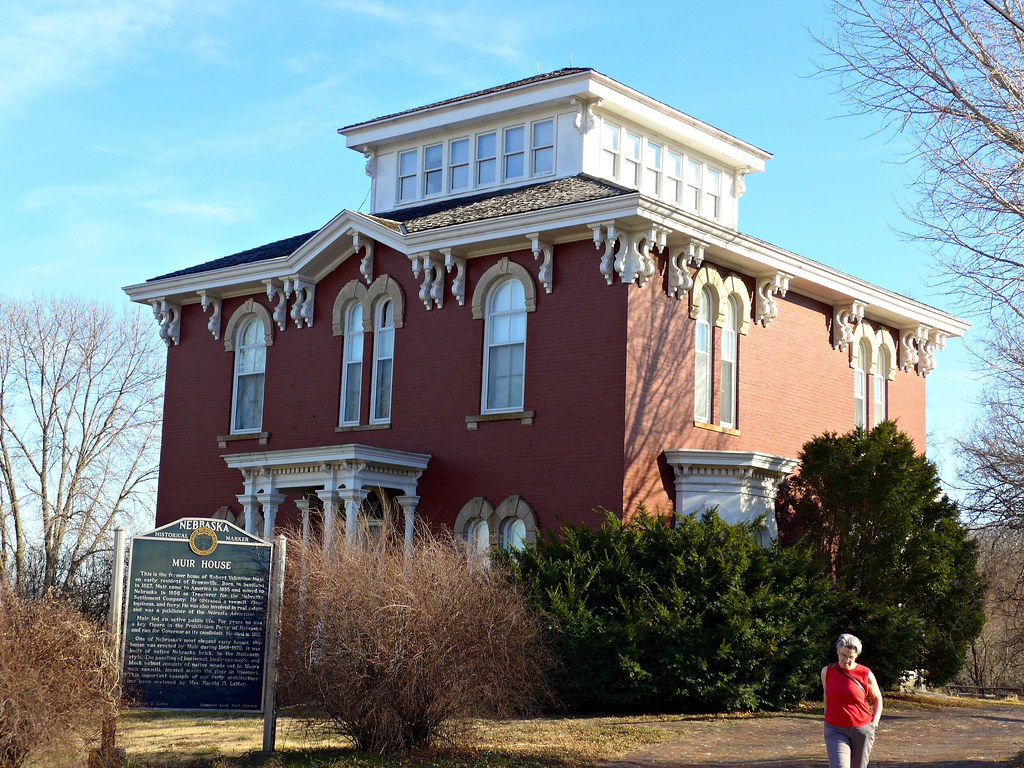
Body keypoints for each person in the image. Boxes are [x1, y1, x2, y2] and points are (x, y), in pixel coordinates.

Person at [821, 633, 883, 768]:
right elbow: (827, 694)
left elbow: (877, 699)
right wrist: (827, 715)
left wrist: (874, 723)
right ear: (837, 651)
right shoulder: (827, 671)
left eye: (851, 657)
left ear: (856, 656)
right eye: (843, 655)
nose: (847, 660)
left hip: (862, 729)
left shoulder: (865, 673)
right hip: (835, 729)